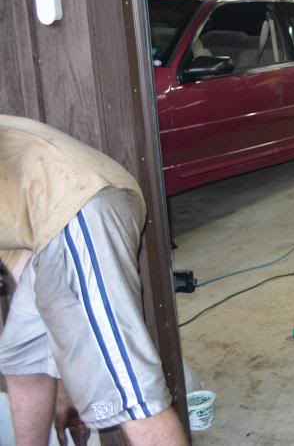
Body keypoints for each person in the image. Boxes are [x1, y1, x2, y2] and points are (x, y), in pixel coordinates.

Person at [0, 115, 186, 445]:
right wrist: (66, 377)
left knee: (129, 395)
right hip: (55, 222)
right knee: (22, 357)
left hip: (76, 205)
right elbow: (26, 269)